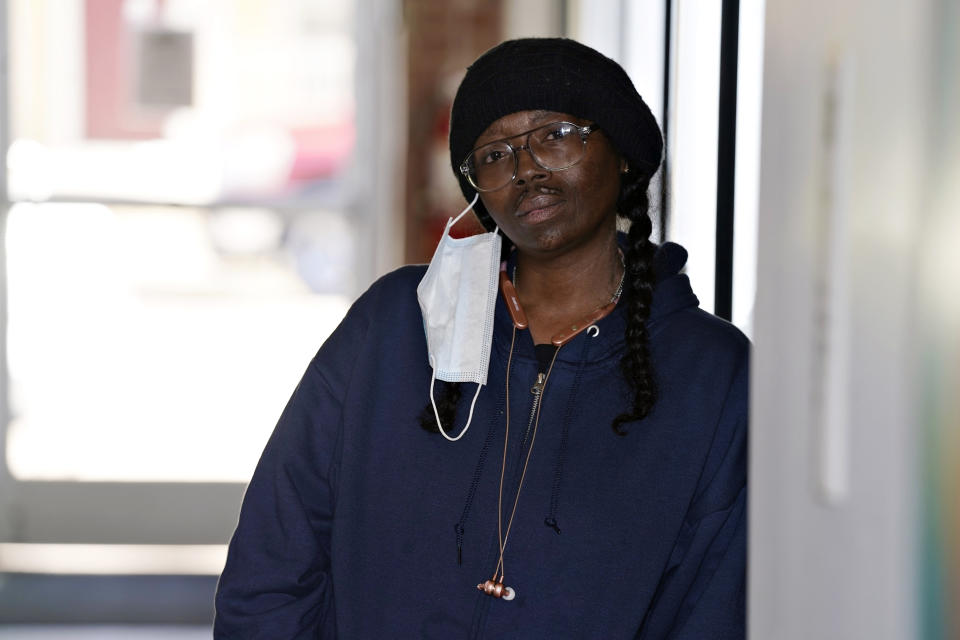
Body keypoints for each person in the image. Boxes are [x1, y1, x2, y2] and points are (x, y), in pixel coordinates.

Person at [214, 38, 747, 639]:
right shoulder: (395, 326)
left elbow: (715, 603)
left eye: (556, 135)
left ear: (622, 153)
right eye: (494, 154)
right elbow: (274, 554)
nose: (524, 168)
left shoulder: (714, 373)